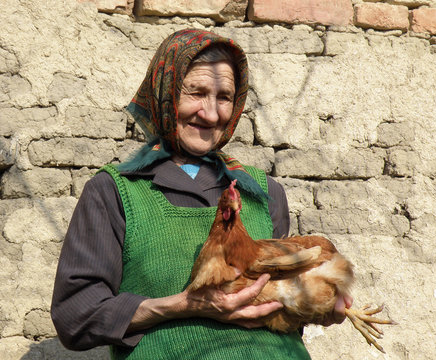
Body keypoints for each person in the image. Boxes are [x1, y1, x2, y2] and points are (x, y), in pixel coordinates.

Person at [51, 29, 352, 359]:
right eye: (195, 93)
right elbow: (75, 317)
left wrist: (322, 307)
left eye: (224, 97)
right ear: (165, 94)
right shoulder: (114, 191)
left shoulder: (264, 191)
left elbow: (280, 307)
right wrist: (183, 305)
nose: (211, 113)